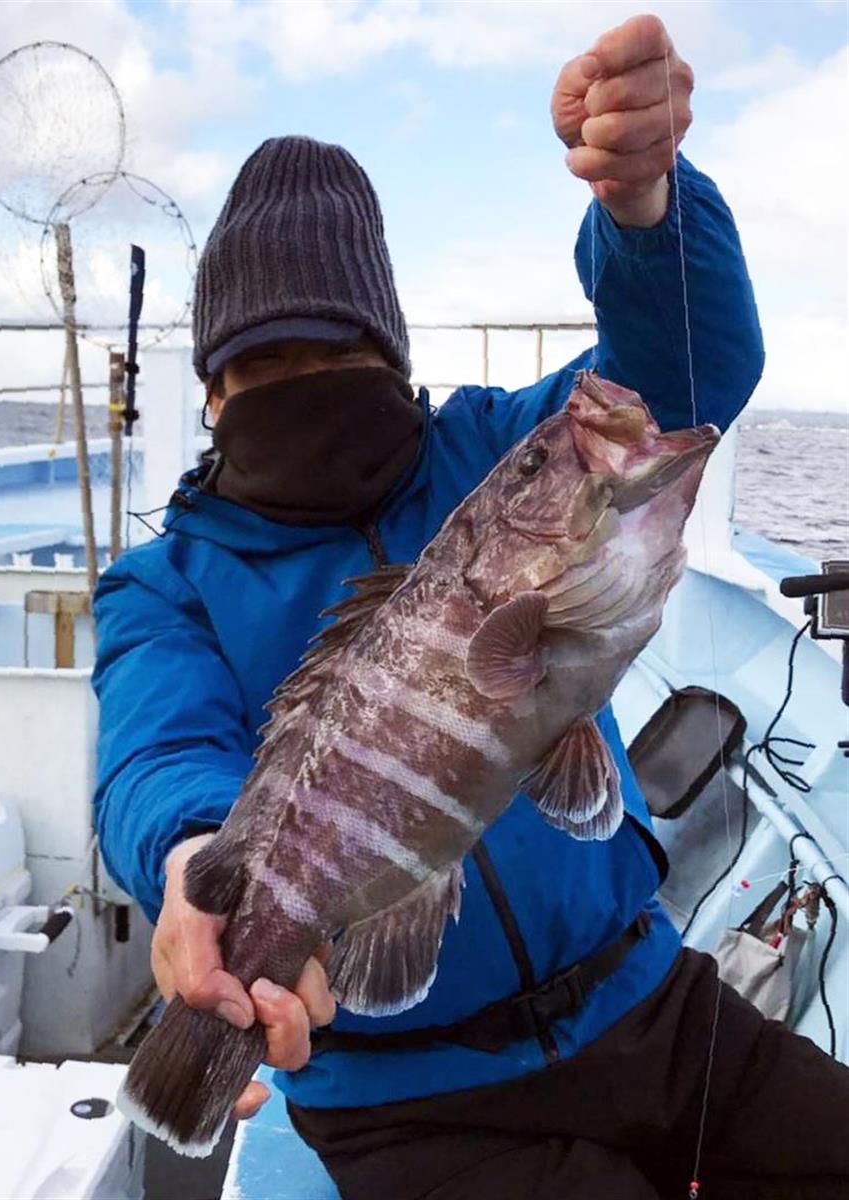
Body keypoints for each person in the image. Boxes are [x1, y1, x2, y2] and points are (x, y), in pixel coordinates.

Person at [92, 14, 849, 1199]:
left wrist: (644, 212)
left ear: (389, 353)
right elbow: (156, 756)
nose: (306, 388)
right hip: (401, 1101)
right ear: (211, 386)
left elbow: (688, 371)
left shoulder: (498, 454)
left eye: (332, 347)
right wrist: (201, 860)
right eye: (264, 364)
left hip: (645, 1002)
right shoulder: (163, 584)